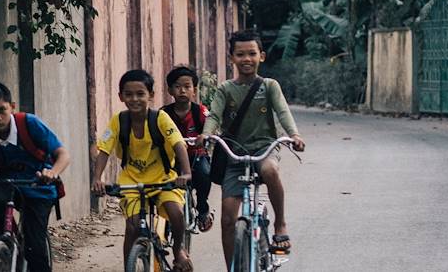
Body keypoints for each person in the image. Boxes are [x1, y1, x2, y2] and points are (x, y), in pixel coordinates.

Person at [198, 28, 306, 270]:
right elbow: (214, 115)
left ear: (261, 56)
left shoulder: (269, 86)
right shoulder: (225, 89)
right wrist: (206, 134)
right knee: (227, 218)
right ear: (232, 58)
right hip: (234, 154)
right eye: (240, 54)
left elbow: (283, 112)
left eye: (251, 53)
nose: (246, 59)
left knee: (270, 171)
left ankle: (280, 224)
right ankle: (233, 267)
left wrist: (294, 135)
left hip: (265, 148)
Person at [91, 69, 195, 272]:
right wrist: (97, 178)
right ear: (121, 96)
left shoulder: (160, 118)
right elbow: (104, 149)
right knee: (132, 227)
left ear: (151, 95)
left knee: (176, 214)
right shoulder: (119, 121)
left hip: (163, 179)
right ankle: (129, 266)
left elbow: (178, 145)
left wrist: (186, 173)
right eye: (128, 94)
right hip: (132, 181)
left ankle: (178, 250)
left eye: (140, 94)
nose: (134, 99)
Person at [0, 81, 70, 272]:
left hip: (39, 188)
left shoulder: (29, 124)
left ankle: (30, 253)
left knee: (35, 248)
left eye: (2, 110)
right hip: (9, 188)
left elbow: (63, 154)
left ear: (12, 106)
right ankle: (8, 244)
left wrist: (52, 172)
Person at [161, 65, 213, 232]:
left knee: (204, 173)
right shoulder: (163, 114)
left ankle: (203, 207)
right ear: (170, 90)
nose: (182, 90)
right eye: (177, 86)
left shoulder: (200, 111)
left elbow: (211, 127)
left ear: (194, 90)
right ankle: (168, 217)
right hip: (172, 158)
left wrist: (206, 136)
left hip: (196, 155)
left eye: (187, 86)